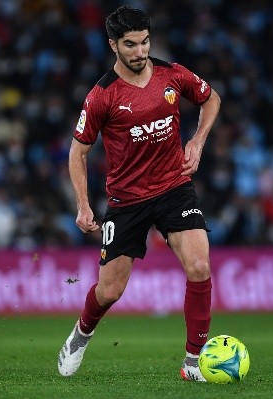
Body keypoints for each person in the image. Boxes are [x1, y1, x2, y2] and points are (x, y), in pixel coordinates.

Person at [57, 5, 221, 382]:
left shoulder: (171, 74)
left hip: (174, 188)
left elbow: (211, 98)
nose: (140, 51)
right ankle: (81, 335)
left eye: (145, 42)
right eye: (130, 45)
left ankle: (193, 363)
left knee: (199, 267)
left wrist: (196, 141)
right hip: (126, 201)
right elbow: (77, 152)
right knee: (111, 291)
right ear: (113, 45)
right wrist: (83, 205)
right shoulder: (101, 96)